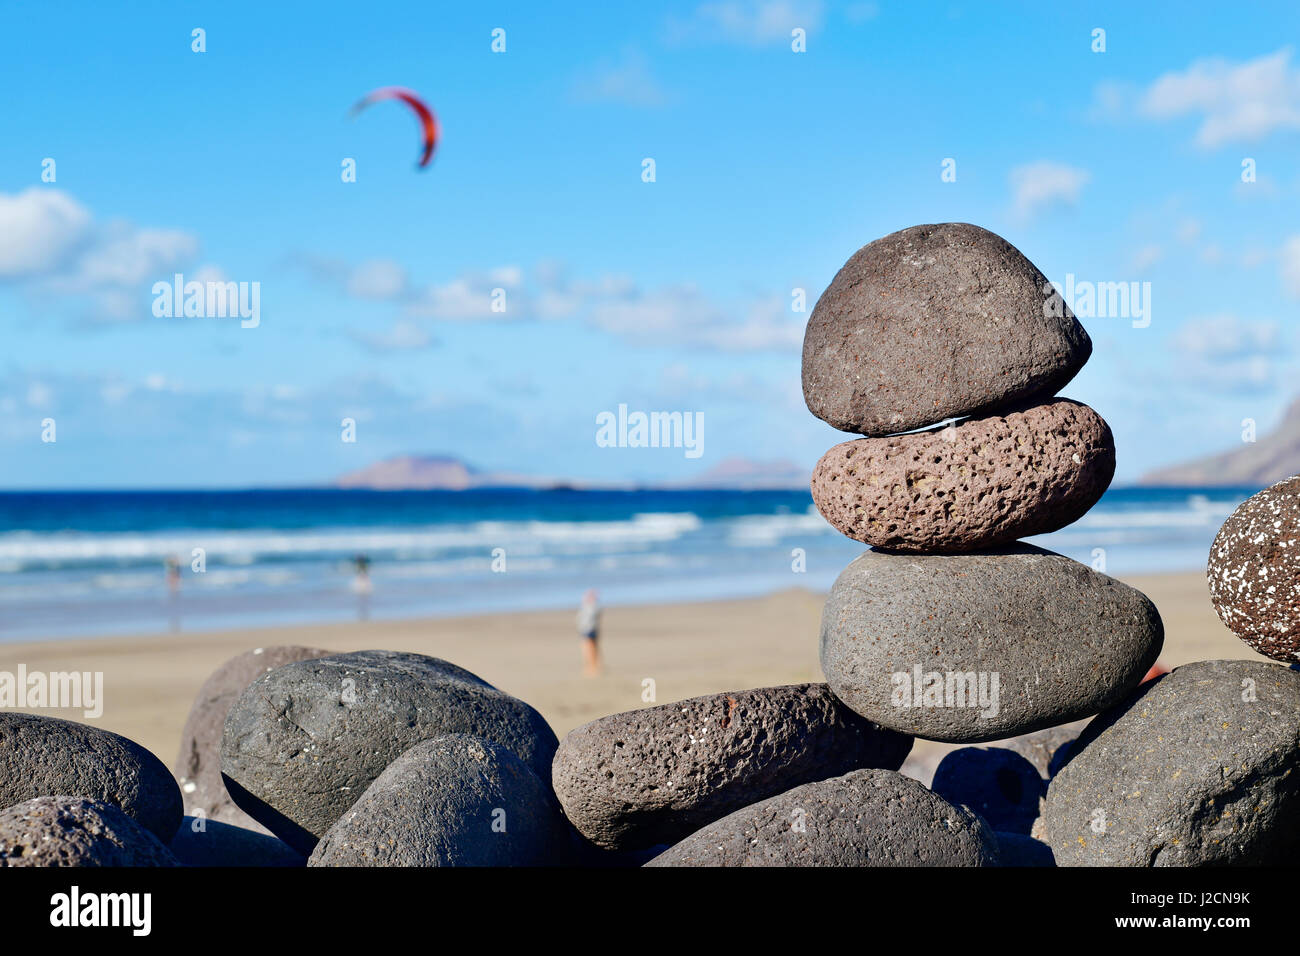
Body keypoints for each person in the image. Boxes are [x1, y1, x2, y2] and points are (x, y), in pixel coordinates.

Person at [577, 588, 602, 676]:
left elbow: (591, 617)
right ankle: (591, 667)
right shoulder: (587, 606)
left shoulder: (593, 607)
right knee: (587, 649)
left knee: (591, 649)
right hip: (586, 629)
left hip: (590, 629)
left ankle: (593, 667)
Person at [351, 554, 372, 620]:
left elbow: (359, 572)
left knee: (362, 595)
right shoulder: (363, 565)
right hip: (363, 580)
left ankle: (362, 607)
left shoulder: (361, 565)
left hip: (362, 580)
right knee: (363, 595)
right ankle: (363, 607)